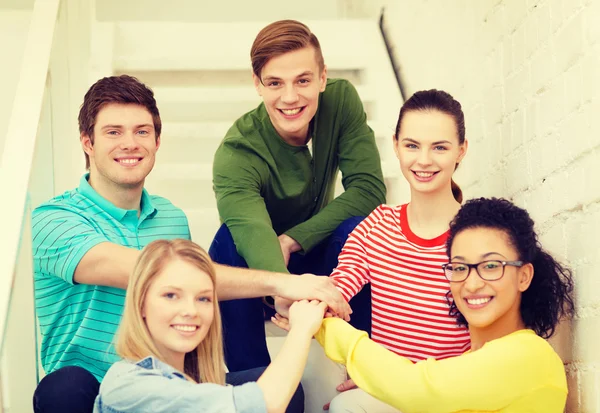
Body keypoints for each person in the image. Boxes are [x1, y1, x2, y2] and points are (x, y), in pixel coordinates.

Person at [32, 75, 348, 413]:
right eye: (113, 132)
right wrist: (284, 282)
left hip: (168, 385)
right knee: (62, 389)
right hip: (93, 389)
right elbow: (141, 271)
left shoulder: (170, 218)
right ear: (87, 142)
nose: (129, 143)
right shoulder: (53, 219)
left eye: (142, 131)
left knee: (286, 393)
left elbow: (193, 289)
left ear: (156, 142)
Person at [276, 89, 472, 411]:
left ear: (460, 151)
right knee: (345, 407)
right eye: (412, 145)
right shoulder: (376, 226)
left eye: (439, 147)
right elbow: (337, 290)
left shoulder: (478, 235)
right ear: (395, 145)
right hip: (388, 393)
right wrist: (299, 305)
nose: (423, 160)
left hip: (451, 394)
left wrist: (404, 381)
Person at [211, 19, 386, 372]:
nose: (290, 97)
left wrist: (293, 239)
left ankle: (366, 364)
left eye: (303, 80)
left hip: (321, 258)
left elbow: (368, 189)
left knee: (362, 230)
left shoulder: (340, 101)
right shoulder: (236, 152)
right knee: (228, 241)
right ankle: (252, 380)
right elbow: (253, 234)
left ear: (323, 78)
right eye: (275, 83)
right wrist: (283, 291)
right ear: (257, 84)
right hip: (263, 273)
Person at [305, 197, 575, 412]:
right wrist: (374, 384)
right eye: (459, 267)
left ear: (524, 276)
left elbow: (418, 388)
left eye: (491, 266)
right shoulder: (472, 363)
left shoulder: (529, 356)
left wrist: (322, 324)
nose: (471, 284)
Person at [95, 239, 325, 412]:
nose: (190, 311)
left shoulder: (195, 382)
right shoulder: (129, 385)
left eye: (203, 298)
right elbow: (263, 405)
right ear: (141, 304)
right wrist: (301, 329)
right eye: (171, 295)